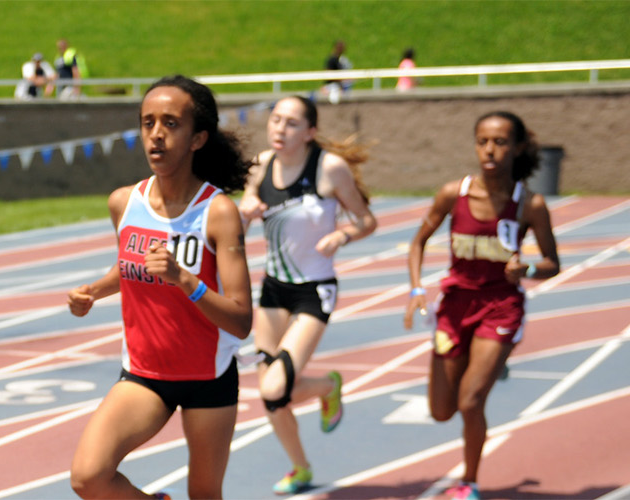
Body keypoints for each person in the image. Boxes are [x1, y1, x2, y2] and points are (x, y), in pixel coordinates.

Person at [66, 75, 253, 500]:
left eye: (171, 123)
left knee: (205, 494)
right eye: (147, 122)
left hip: (209, 376)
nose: (156, 134)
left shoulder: (219, 212)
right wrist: (93, 291)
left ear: (197, 138)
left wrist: (185, 280)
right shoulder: (124, 203)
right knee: (88, 477)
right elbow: (131, 267)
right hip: (146, 375)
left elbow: (242, 319)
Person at [402, 111, 560, 500]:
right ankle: (489, 365)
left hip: (500, 307)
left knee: (470, 401)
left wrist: (527, 270)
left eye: (501, 142)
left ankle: (468, 481)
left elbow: (553, 264)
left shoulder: (529, 204)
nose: (490, 150)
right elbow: (417, 242)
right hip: (455, 306)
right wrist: (415, 290)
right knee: (442, 410)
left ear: (517, 147)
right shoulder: (452, 194)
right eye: (483, 141)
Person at [237, 95, 378, 495]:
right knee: (272, 398)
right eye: (276, 120)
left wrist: (342, 234)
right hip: (273, 290)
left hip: (314, 292)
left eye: (292, 123)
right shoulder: (261, 166)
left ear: (310, 132)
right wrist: (245, 211)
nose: (280, 129)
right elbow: (242, 227)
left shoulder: (329, 169)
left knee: (273, 385)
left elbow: (367, 220)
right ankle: (300, 468)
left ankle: (327, 386)